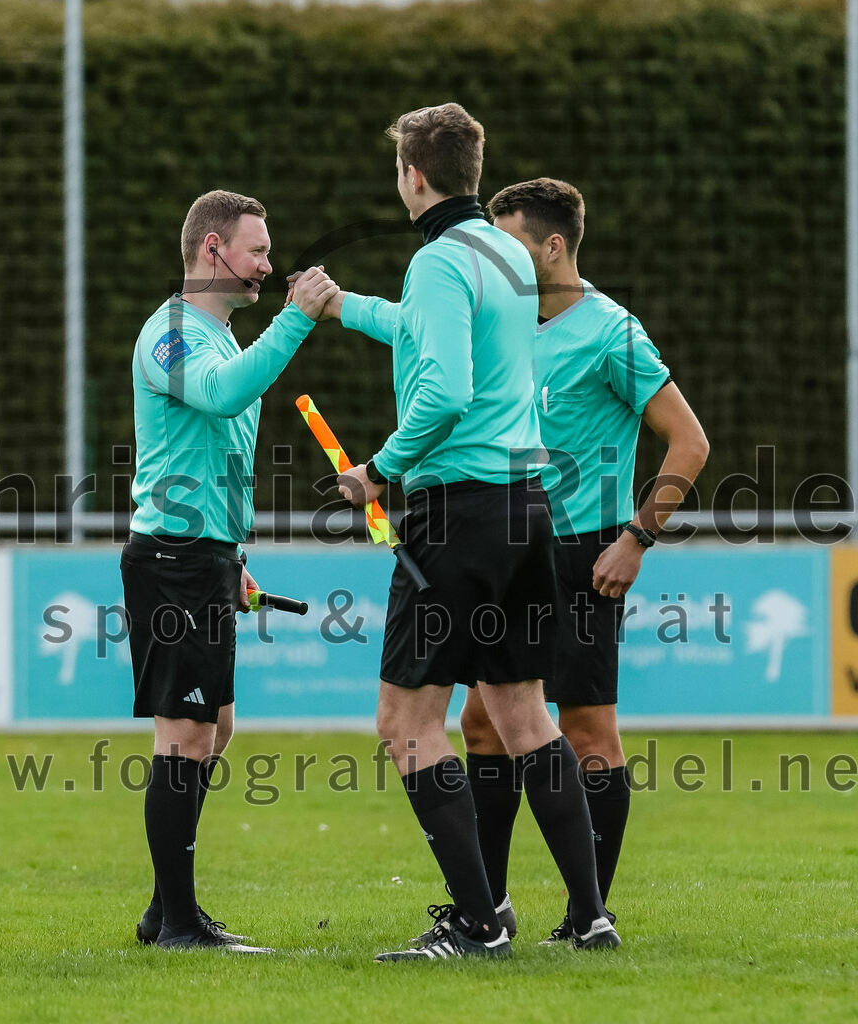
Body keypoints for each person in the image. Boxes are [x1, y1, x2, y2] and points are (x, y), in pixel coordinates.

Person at [329, 104, 619, 960]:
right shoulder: (505, 253)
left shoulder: (438, 259)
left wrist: (378, 468)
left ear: (412, 175)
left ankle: (477, 921)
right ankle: (590, 916)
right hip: (526, 505)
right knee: (525, 715)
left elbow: (446, 389)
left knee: (404, 720)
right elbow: (434, 336)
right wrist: (345, 307)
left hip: (457, 510)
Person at [454, 177, 709, 942]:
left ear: (552, 246)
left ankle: (585, 915)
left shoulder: (611, 331)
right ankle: (487, 907)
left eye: (509, 244)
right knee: (481, 725)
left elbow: (689, 443)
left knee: (587, 729)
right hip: (509, 548)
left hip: (579, 554)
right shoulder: (504, 326)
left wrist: (635, 539)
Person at [121, 189, 338, 951]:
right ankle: (180, 923)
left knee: (215, 729)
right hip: (172, 560)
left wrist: (233, 557)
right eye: (258, 250)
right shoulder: (171, 335)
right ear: (213, 248)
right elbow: (221, 397)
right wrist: (296, 319)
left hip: (205, 558)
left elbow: (219, 454)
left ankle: (164, 911)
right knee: (184, 735)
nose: (269, 266)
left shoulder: (216, 336)